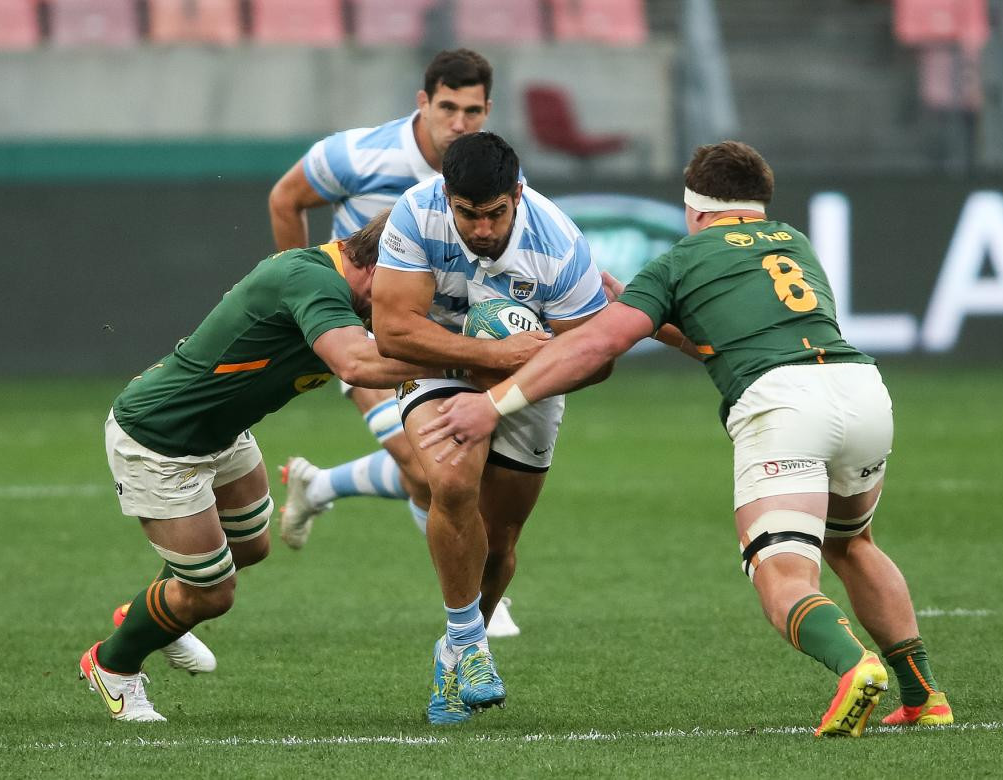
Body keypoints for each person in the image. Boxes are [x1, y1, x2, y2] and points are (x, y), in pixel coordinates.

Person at [416, 140, 953, 737]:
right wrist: (645, 306)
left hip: (783, 407)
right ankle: (924, 695)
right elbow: (714, 337)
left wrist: (495, 403)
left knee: (781, 575)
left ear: (695, 209)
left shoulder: (684, 259)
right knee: (853, 545)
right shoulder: (793, 243)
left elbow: (596, 345)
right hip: (861, 390)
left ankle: (855, 667)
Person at [80, 212, 433, 721]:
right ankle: (113, 664)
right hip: (160, 439)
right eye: (410, 281)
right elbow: (357, 364)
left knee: (251, 547)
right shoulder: (310, 279)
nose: (413, 298)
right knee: (214, 592)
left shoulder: (346, 289)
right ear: (379, 267)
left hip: (222, 434)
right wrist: (468, 360)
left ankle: (155, 614)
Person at [267, 48, 520, 637]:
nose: (460, 122)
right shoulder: (356, 154)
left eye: (474, 110)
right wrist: (300, 296)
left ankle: (318, 484)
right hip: (373, 337)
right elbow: (286, 198)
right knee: (426, 465)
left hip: (452, 338)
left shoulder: (484, 174)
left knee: (427, 474)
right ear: (423, 102)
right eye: (449, 107)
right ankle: (478, 597)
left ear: (488, 110)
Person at [369, 131, 618, 725]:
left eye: (494, 213)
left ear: (518, 194)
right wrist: (486, 353)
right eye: (467, 213)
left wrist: (511, 378)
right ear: (448, 198)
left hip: (529, 376)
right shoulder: (417, 211)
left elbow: (596, 358)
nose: (480, 228)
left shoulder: (558, 245)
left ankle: (451, 653)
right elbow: (393, 330)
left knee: (501, 542)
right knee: (452, 484)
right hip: (439, 362)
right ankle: (474, 644)